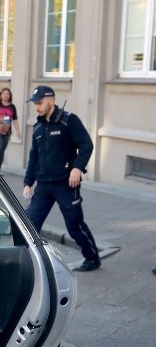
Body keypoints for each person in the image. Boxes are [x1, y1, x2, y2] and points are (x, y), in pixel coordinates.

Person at [23, 85, 101, 272]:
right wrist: (27, 183)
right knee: (28, 224)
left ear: (51, 100)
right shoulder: (38, 127)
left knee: (75, 226)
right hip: (43, 187)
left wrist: (77, 168)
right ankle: (27, 261)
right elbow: (34, 157)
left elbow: (86, 145)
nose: (37, 107)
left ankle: (92, 258)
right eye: (35, 103)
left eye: (40, 103)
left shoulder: (69, 121)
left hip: (66, 184)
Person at [0, 87, 22, 167]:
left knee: (2, 151)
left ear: (10, 96)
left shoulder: (12, 106)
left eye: (8, 94)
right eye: (4, 94)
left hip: (7, 132)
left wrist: (18, 132)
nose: (6, 95)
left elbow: (15, 119)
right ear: (1, 95)